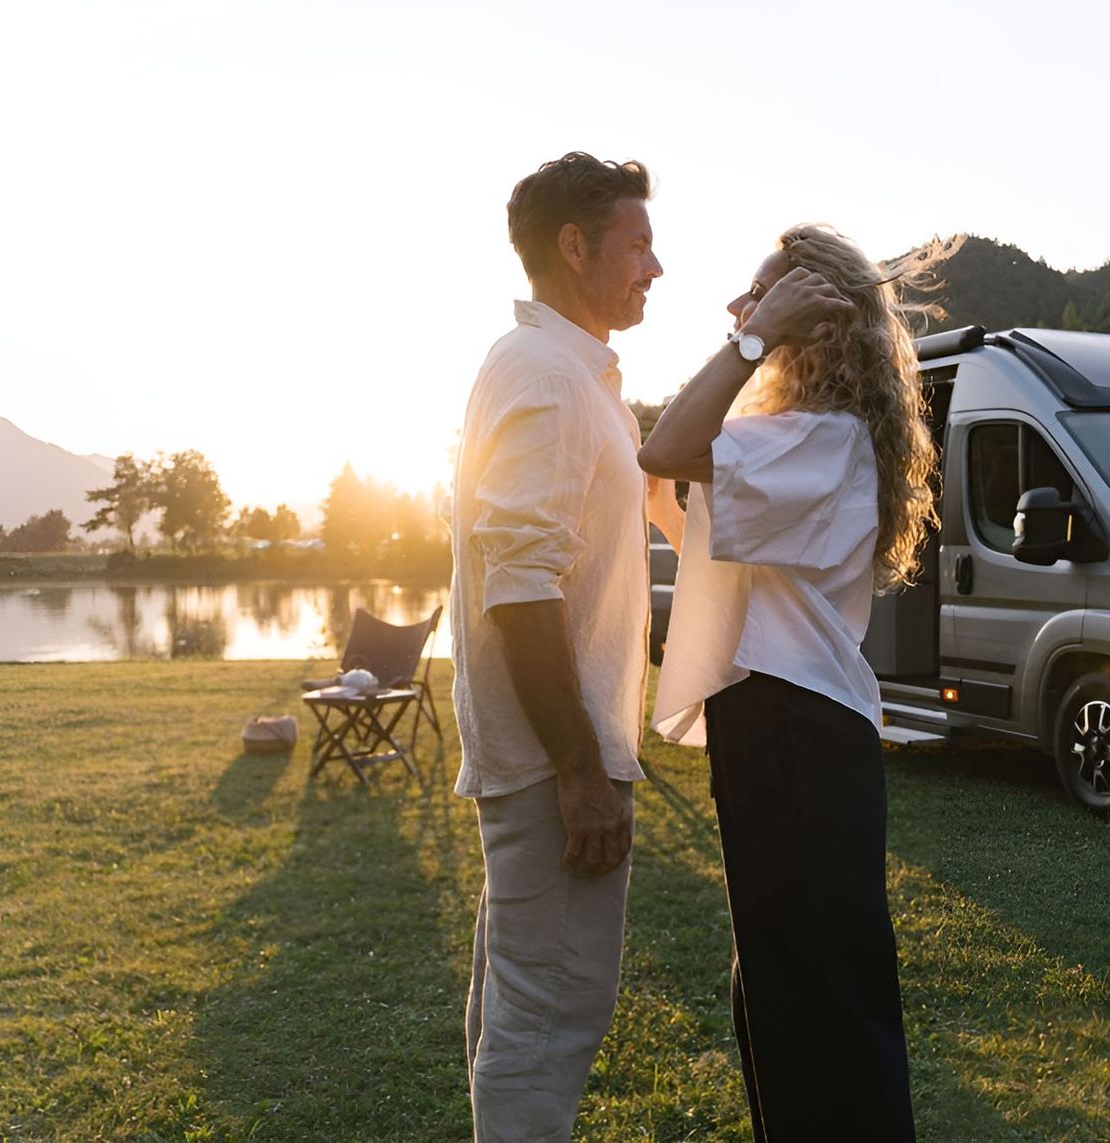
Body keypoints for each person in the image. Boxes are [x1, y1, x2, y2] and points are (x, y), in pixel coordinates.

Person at [638, 225, 947, 1141]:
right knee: (781, 988)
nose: (746, 307)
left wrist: (749, 339)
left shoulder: (826, 440)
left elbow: (668, 449)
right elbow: (689, 505)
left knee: (817, 1002)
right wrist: (754, 338)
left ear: (814, 317)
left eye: (768, 294)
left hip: (796, 727)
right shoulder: (794, 438)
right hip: (780, 723)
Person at [451, 151, 677, 1142]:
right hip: (555, 768)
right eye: (638, 243)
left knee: (527, 1010)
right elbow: (521, 582)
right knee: (548, 1019)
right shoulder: (542, 373)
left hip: (555, 763)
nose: (655, 266)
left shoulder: (574, 374)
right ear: (575, 247)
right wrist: (579, 769)